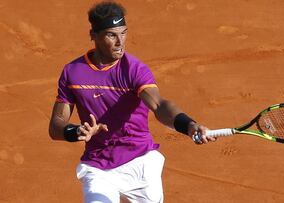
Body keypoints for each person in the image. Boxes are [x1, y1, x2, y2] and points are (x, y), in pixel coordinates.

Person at [48, 1, 216, 202]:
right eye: (112, 35)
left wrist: (187, 124)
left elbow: (160, 105)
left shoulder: (135, 70)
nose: (120, 42)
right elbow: (55, 128)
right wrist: (76, 132)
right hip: (99, 166)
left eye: (123, 32)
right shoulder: (73, 72)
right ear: (93, 35)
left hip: (140, 162)